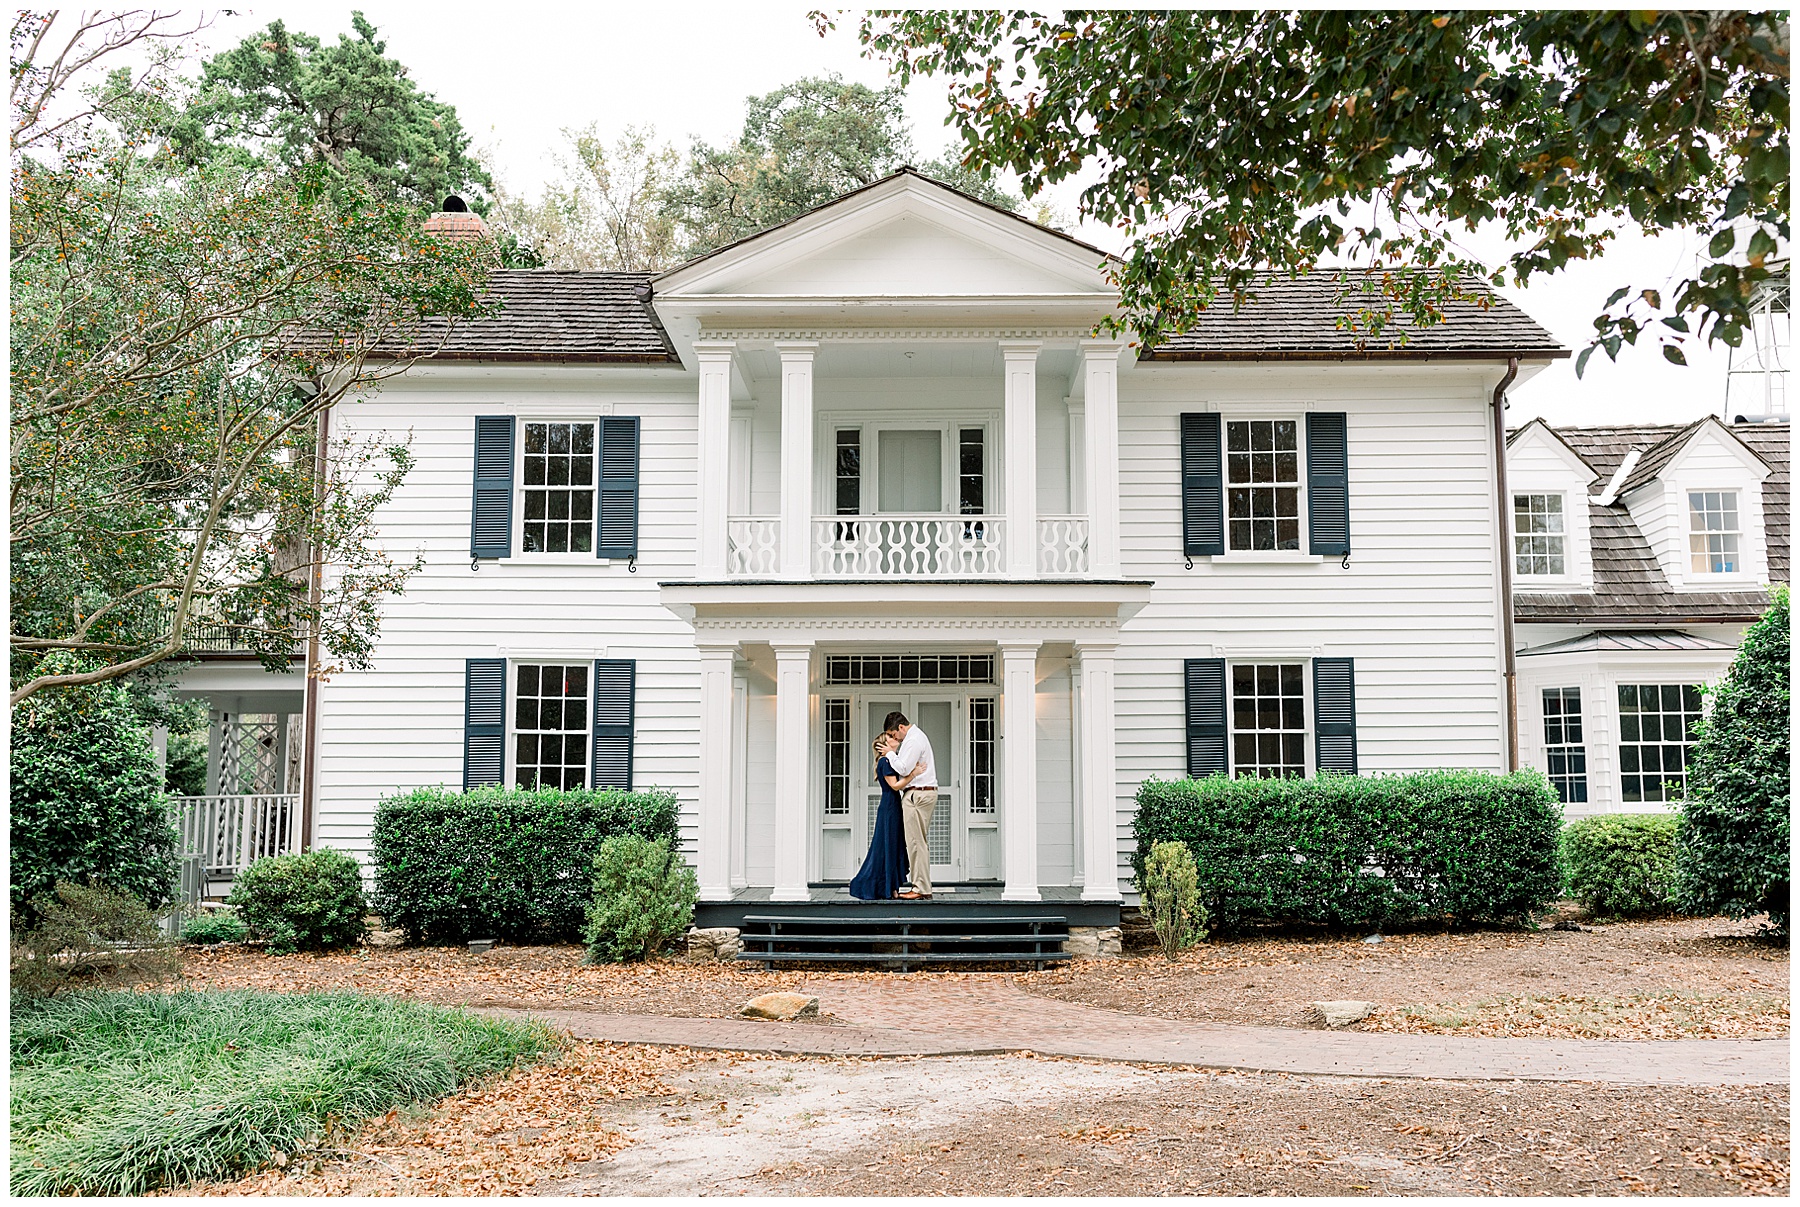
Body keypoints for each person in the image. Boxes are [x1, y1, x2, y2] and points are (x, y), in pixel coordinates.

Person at [883, 709, 938, 899]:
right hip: (920, 794)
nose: (893, 739)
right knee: (917, 842)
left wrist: (890, 754)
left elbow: (904, 768)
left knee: (915, 843)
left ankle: (920, 888)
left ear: (900, 727)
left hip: (918, 794)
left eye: (892, 734)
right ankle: (921, 886)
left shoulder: (913, 740)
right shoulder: (915, 737)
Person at [847, 732, 907, 900]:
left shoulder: (889, 760)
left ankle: (892, 888)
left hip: (892, 806)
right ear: (884, 745)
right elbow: (895, 786)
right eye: (891, 738)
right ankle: (886, 888)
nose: (896, 740)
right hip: (889, 807)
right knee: (886, 846)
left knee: (891, 846)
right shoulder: (886, 762)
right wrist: (913, 774)